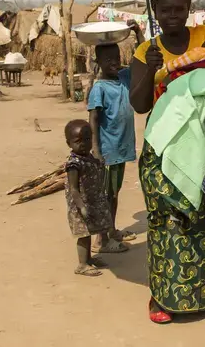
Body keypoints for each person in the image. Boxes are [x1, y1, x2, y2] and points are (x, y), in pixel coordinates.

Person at [130, 0, 205, 323]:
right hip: (162, 146)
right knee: (169, 223)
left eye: (179, 9)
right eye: (165, 10)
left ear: (189, 9)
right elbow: (139, 105)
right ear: (155, 12)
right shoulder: (145, 51)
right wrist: (151, 71)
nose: (173, 15)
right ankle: (163, 298)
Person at [87, 20, 144, 255]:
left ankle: (111, 230)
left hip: (121, 149)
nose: (114, 62)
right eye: (108, 59)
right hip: (108, 151)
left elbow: (143, 61)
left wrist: (139, 34)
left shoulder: (123, 78)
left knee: (114, 193)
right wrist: (97, 151)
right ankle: (102, 240)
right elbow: (93, 120)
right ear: (97, 62)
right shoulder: (99, 88)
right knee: (105, 195)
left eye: (116, 57)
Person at [64, 119, 113, 277]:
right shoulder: (74, 163)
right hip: (80, 205)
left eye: (87, 139)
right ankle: (82, 264)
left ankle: (89, 259)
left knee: (90, 231)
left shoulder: (89, 158)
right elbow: (73, 189)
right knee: (83, 235)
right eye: (78, 141)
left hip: (92, 202)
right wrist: (82, 207)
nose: (84, 144)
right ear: (69, 143)